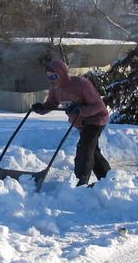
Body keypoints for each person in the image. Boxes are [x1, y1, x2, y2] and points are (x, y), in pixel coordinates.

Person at [31, 57, 111, 186]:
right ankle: (107, 178)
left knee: (84, 148)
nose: (52, 80)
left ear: (62, 74)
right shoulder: (55, 89)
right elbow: (52, 103)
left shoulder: (81, 84)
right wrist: (42, 108)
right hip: (81, 123)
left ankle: (81, 181)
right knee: (92, 151)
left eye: (54, 77)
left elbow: (99, 107)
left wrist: (80, 109)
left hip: (96, 119)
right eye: (49, 77)